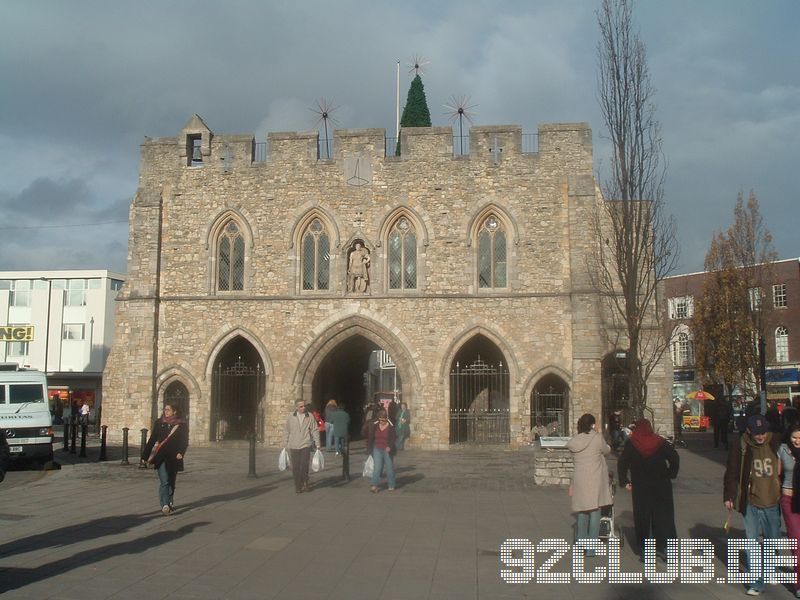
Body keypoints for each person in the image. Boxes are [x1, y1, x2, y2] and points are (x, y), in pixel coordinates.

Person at [724, 414, 782, 596]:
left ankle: (771, 568)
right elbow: (732, 471)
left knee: (772, 538)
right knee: (752, 542)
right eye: (757, 433)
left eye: (763, 432)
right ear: (749, 431)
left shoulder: (776, 442)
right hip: (750, 501)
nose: (760, 436)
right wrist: (729, 496)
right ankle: (757, 582)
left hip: (772, 500)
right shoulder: (740, 445)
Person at [617, 418, 680, 561]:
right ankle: (668, 551)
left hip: (641, 486)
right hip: (661, 485)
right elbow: (674, 458)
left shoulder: (632, 443)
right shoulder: (660, 442)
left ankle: (647, 552)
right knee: (664, 517)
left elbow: (622, 463)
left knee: (644, 517)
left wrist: (624, 481)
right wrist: (671, 474)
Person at [566, 413, 612, 555]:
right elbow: (606, 450)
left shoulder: (575, 440)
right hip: (595, 477)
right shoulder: (597, 438)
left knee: (582, 510)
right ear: (592, 424)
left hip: (580, 478)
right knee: (595, 511)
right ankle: (591, 548)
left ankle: (581, 543)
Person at [141, 403, 188, 515]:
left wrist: (181, 452)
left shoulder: (181, 424)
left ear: (174, 411)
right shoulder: (159, 422)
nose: (165, 411)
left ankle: (169, 501)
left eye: (168, 410)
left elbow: (184, 440)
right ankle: (165, 505)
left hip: (174, 456)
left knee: (171, 481)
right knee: (165, 480)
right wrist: (144, 456)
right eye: (165, 409)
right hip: (161, 456)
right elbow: (152, 439)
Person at [777, 423, 800, 598]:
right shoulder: (783, 450)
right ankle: (798, 583)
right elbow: (776, 476)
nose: (797, 441)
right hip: (789, 499)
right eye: (794, 437)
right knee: (796, 542)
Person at [284, 399, 320, 493]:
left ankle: (305, 482)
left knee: (304, 465)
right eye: (301, 406)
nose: (303, 408)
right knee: (295, 467)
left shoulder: (309, 416)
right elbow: (287, 430)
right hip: (294, 444)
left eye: (304, 406)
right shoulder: (291, 416)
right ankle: (298, 485)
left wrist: (317, 442)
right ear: (296, 407)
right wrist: (285, 442)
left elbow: (314, 429)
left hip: (305, 444)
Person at [367, 409, 396, 492]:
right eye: (380, 420)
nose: (381, 422)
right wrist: (369, 449)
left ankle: (391, 485)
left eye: (383, 420)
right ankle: (374, 485)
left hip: (387, 449)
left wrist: (390, 446)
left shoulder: (390, 426)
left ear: (386, 419)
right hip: (377, 448)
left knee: (389, 467)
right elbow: (371, 437)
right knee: (377, 467)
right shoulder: (375, 425)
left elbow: (393, 438)